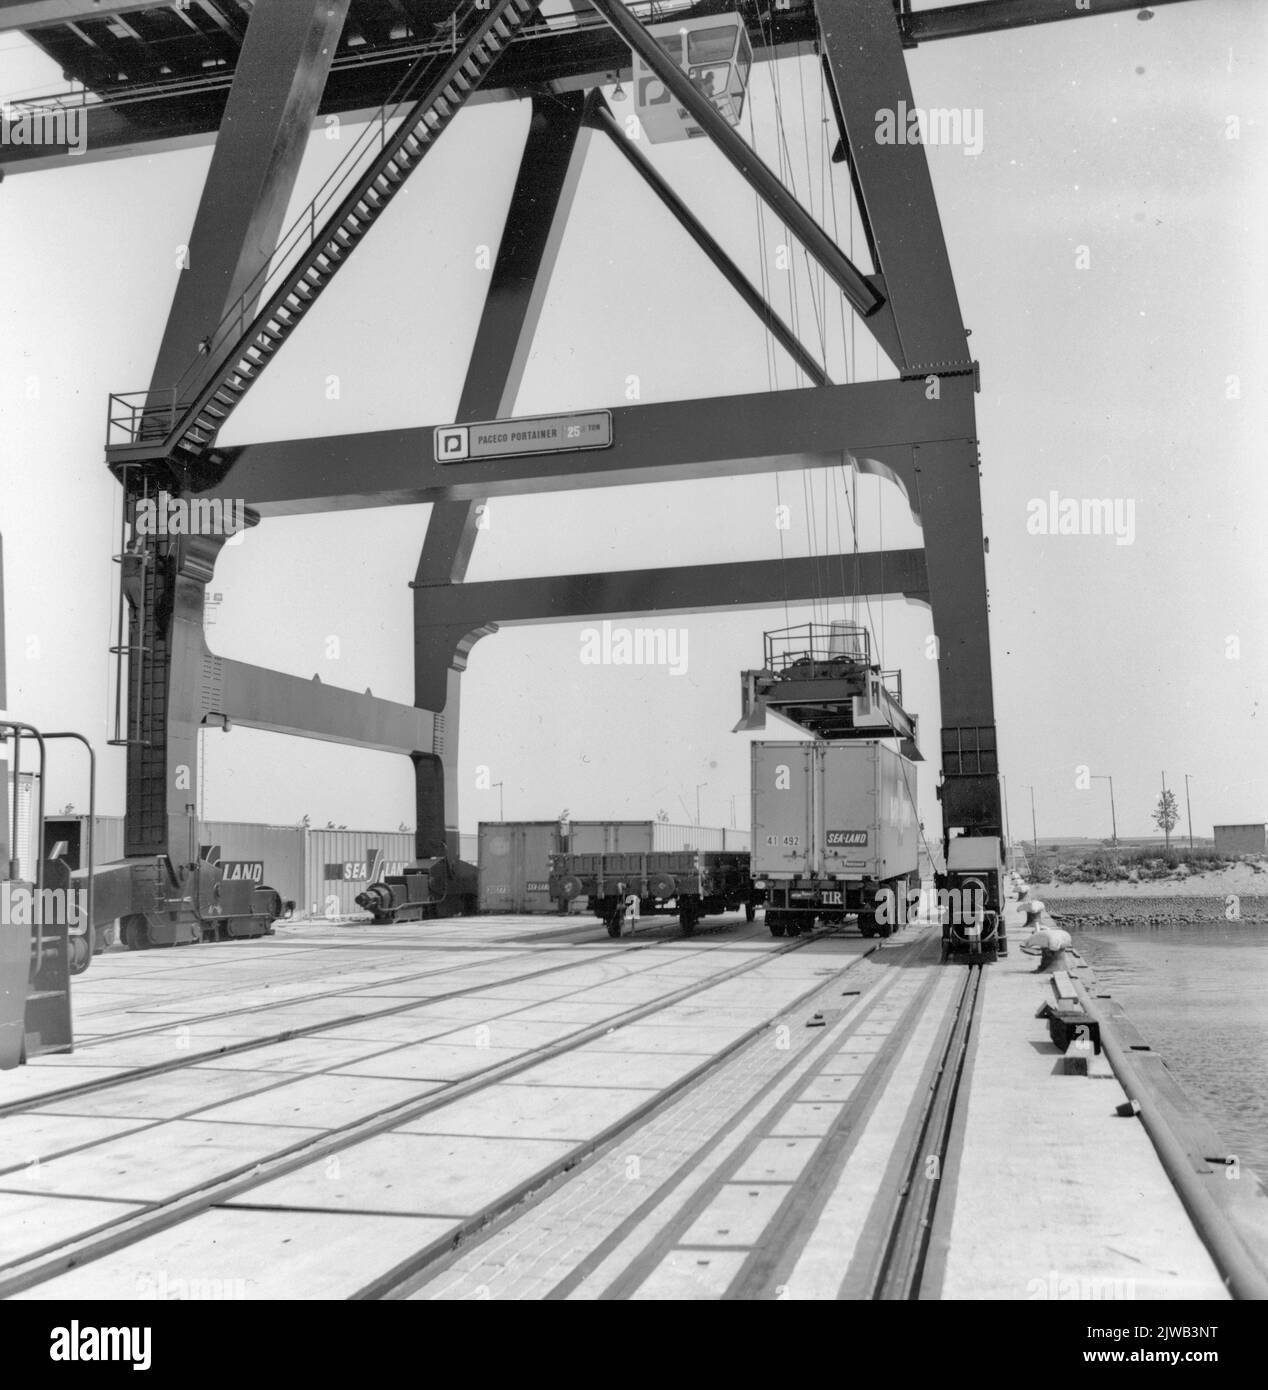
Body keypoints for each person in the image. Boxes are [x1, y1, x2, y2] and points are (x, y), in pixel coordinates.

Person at [1017, 900, 1072, 973]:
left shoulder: (1046, 938)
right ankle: (1057, 966)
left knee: (1048, 941)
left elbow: (1052, 946)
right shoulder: (1046, 938)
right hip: (1063, 937)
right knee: (1048, 941)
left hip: (1053, 938)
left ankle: (1049, 966)